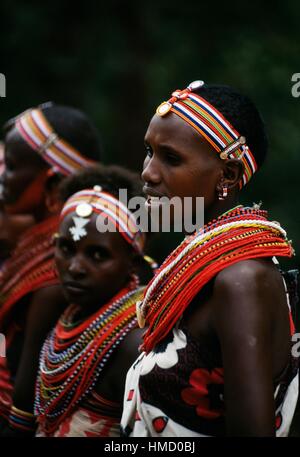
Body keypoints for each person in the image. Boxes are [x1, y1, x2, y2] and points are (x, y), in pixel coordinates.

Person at [121, 80, 299, 437]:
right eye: (149, 151)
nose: (148, 173)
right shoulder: (198, 271)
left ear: (228, 176)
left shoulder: (241, 280)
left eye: (171, 158)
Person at [0, 102, 102, 434]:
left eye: (12, 167)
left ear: (52, 185)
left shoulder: (59, 275)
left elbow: (25, 402)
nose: (3, 176)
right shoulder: (35, 246)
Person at [34, 165, 149, 437]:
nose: (74, 267)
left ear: (132, 263)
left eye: (97, 255)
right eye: (66, 248)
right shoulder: (66, 311)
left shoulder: (134, 344)